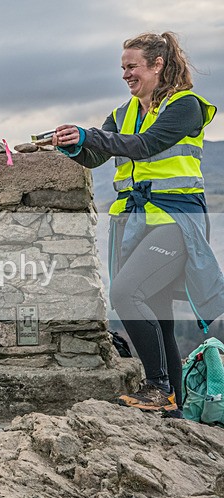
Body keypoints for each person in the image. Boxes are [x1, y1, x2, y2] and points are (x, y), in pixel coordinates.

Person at [53, 31, 224, 416]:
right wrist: (75, 145)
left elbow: (146, 145)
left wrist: (91, 135)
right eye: (123, 68)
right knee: (158, 313)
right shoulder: (122, 113)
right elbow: (97, 157)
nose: (126, 75)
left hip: (176, 219)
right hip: (135, 220)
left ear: (157, 64)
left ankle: (157, 386)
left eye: (132, 67)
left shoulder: (186, 106)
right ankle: (174, 408)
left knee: (127, 294)